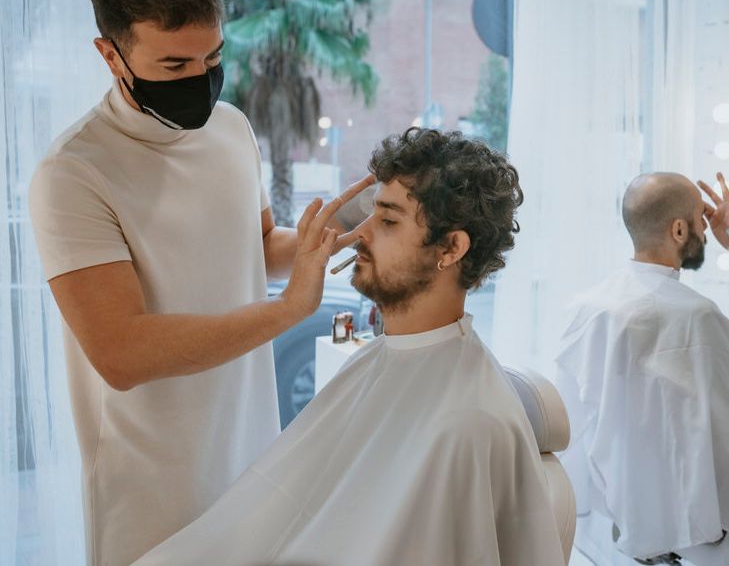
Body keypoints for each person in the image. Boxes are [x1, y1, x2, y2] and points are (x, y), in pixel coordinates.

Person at [28, 0, 372, 566]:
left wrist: (339, 234)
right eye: (174, 65)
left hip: (250, 445)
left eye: (213, 57)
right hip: (151, 483)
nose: (201, 80)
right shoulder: (73, 174)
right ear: (111, 54)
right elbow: (121, 354)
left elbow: (260, 245)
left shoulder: (231, 127)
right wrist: (289, 309)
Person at [134, 128, 566, 566]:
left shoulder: (468, 425)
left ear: (451, 247)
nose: (361, 234)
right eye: (369, 215)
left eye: (388, 220)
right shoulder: (380, 361)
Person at [556, 172, 729, 565]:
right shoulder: (698, 319)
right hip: (701, 538)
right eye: (701, 218)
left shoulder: (587, 308)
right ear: (679, 229)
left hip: (608, 530)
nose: (706, 227)